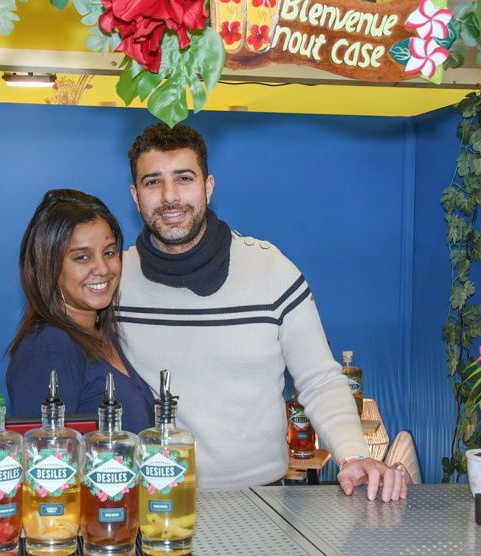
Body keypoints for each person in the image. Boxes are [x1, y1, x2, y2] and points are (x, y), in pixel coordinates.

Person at [117, 123, 406, 501]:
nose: (170, 196)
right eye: (153, 182)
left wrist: (353, 455)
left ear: (208, 187)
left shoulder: (271, 270)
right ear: (136, 196)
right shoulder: (113, 282)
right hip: (152, 502)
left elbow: (319, 380)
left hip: (263, 500)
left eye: (184, 179)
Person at [6, 189, 155, 433]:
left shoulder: (102, 335)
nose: (102, 268)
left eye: (109, 252)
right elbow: (44, 460)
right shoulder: (50, 347)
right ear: (48, 267)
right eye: (82, 257)